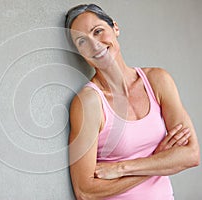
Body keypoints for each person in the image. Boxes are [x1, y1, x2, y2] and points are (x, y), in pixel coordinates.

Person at [65, 4, 200, 200]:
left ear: (115, 28)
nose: (95, 45)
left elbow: (191, 154)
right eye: (82, 41)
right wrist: (158, 160)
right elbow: (84, 191)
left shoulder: (157, 80)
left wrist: (122, 168)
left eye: (98, 31)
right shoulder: (89, 103)